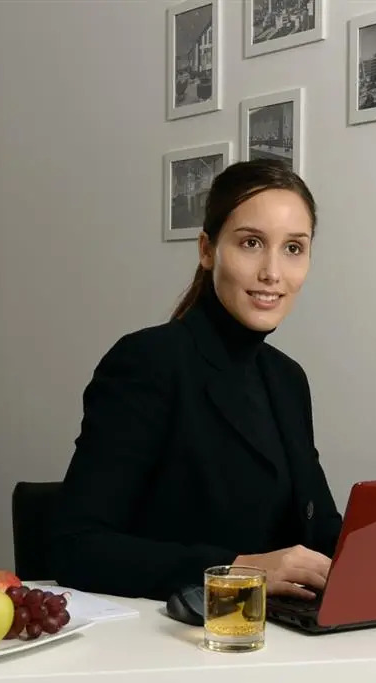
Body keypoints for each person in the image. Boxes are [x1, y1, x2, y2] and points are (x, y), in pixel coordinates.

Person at [49, 159, 342, 602]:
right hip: (177, 632)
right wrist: (238, 570)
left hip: (273, 628)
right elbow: (76, 547)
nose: (272, 272)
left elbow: (321, 532)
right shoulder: (148, 361)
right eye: (251, 243)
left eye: (293, 248)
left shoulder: (287, 379)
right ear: (207, 250)